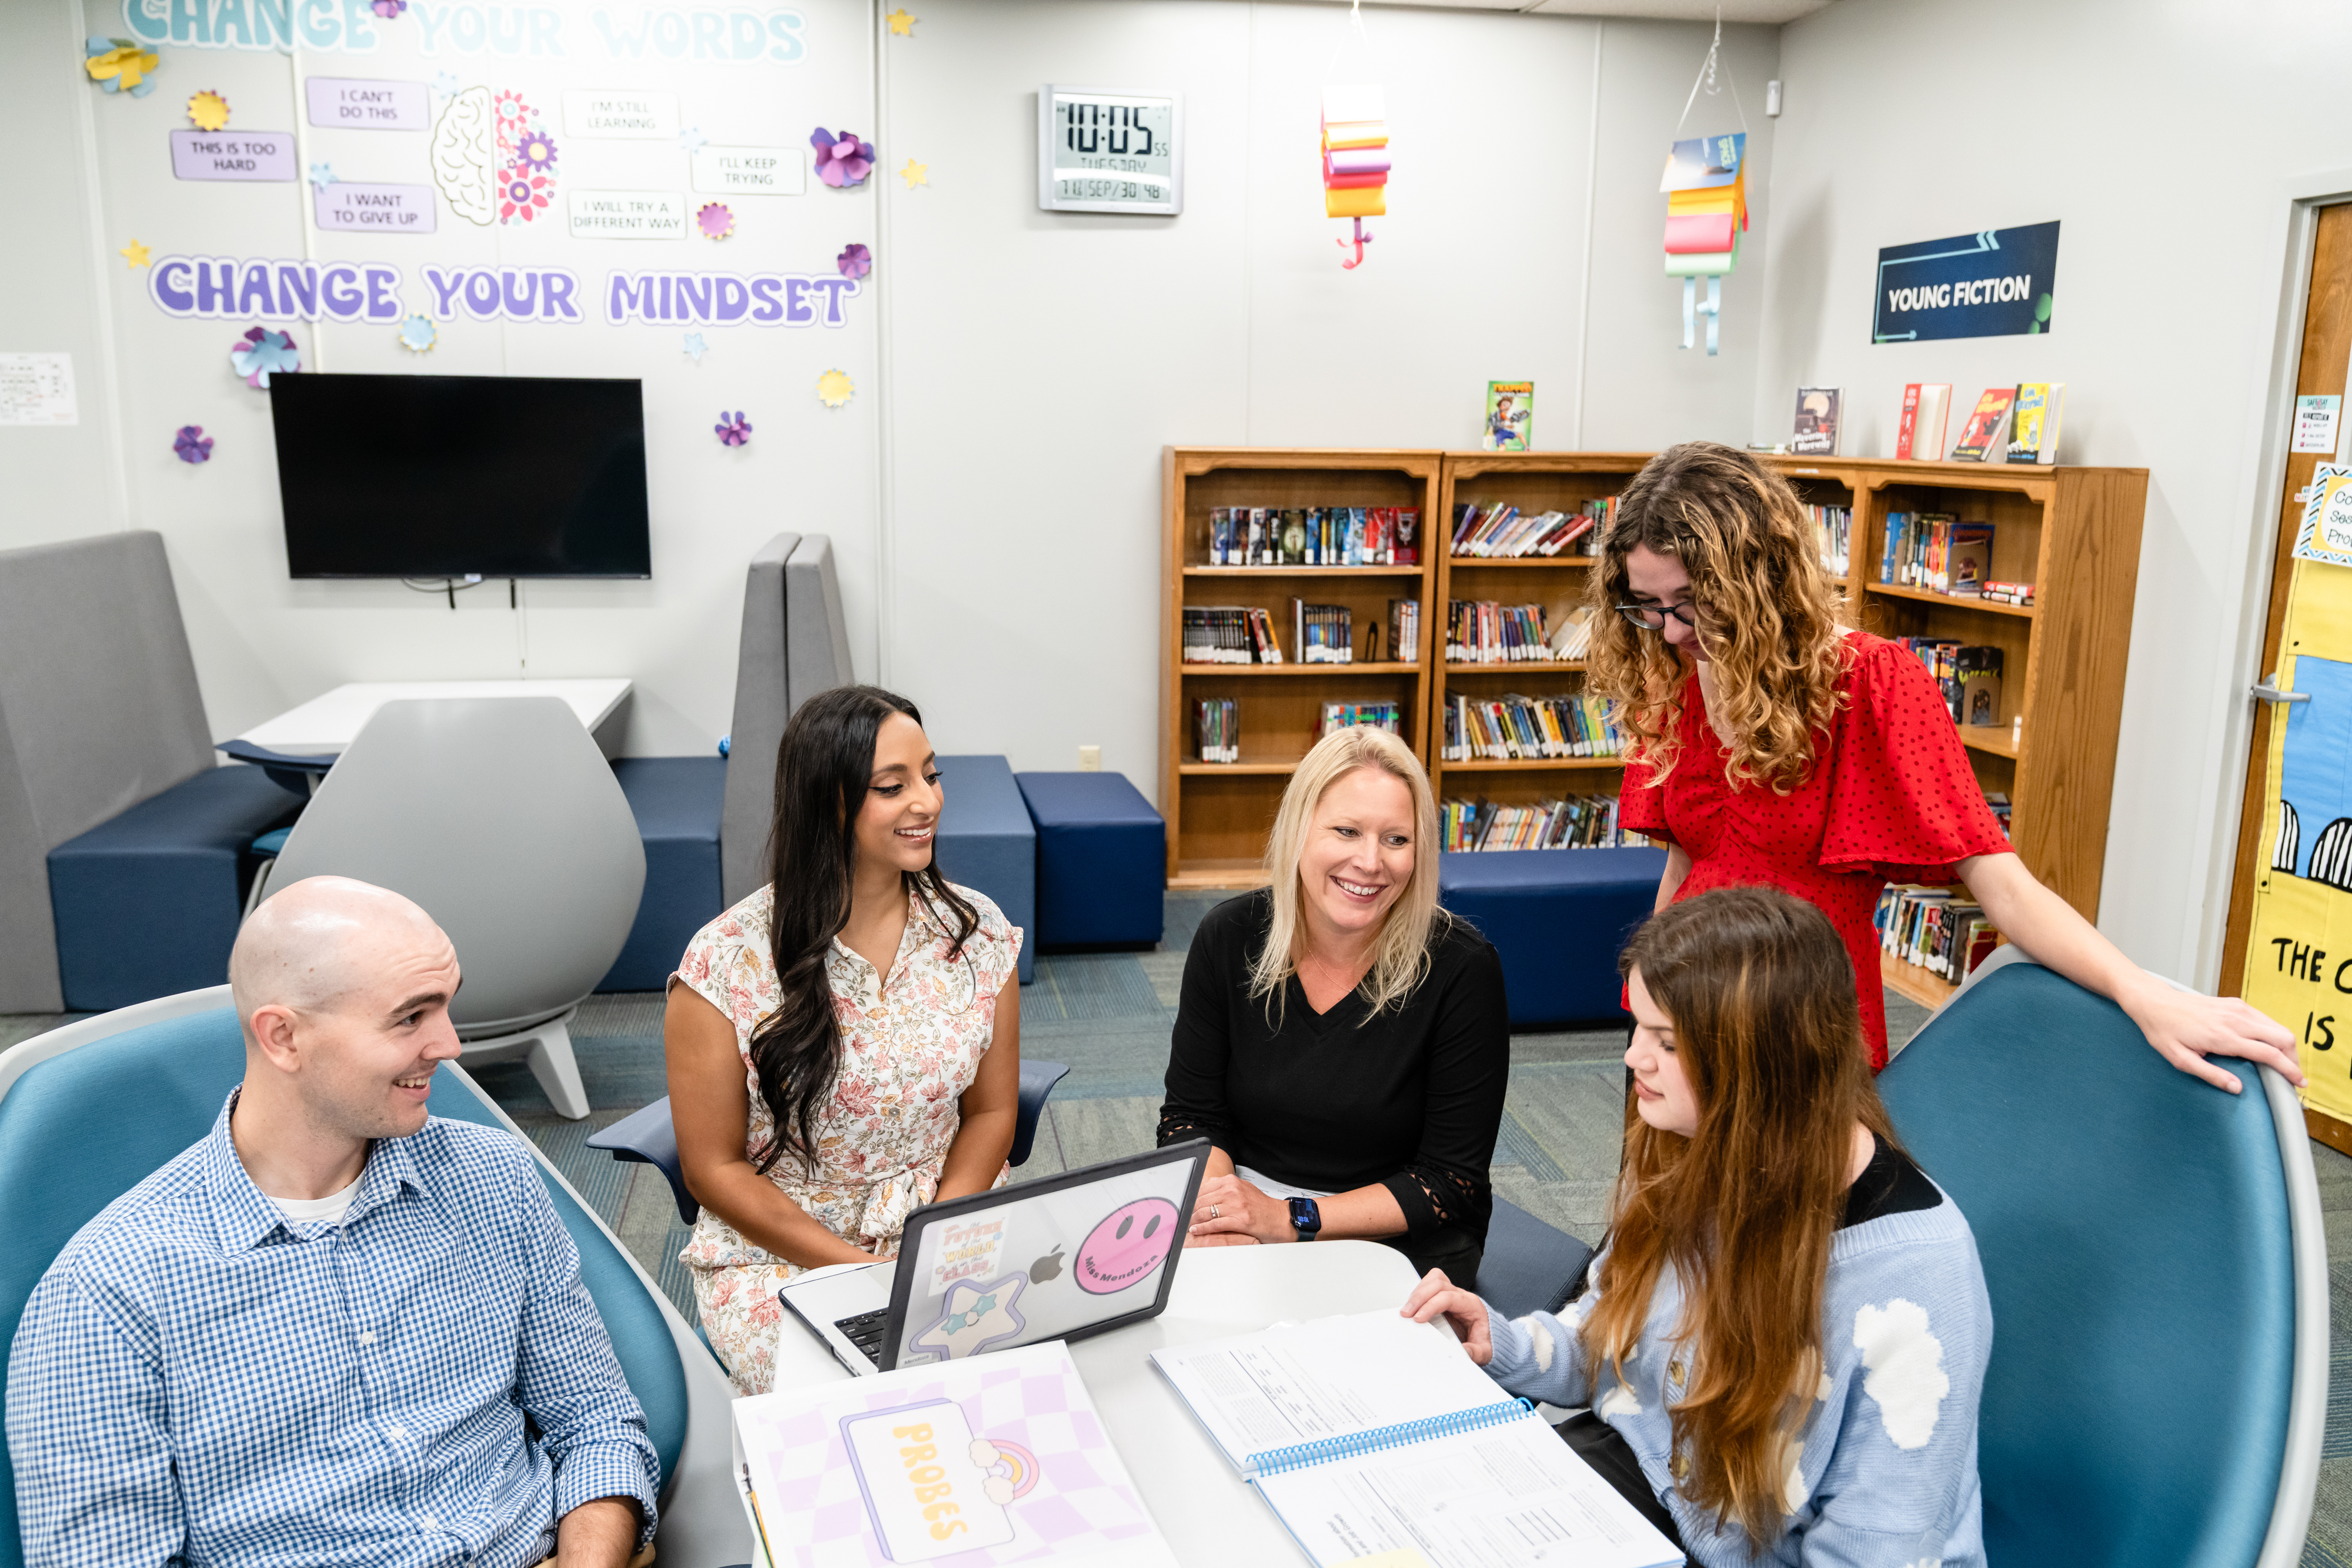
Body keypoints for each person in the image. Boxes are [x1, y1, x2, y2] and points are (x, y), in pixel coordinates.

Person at [1588, 439, 2302, 1088]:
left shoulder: (1872, 684)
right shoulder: (1671, 673)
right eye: (1648, 607)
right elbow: (1684, 870)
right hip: (1675, 1018)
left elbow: (2004, 888)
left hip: (1793, 1028)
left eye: (1693, 605)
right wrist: (1648, 1009)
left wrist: (2142, 992)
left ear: (1760, 582)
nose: (1674, 631)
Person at [6, 876, 661, 1568]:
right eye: (410, 1018)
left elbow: (596, 1423)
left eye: (447, 1005)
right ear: (283, 1037)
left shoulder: (491, 1177)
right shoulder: (108, 1292)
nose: (450, 1044)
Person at [1405, 887, 1992, 1567]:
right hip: (1647, 1488)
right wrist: (1496, 1341)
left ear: (1763, 1064)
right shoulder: (1692, 1146)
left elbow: (1873, 1549)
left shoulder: (1916, 1280)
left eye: (1667, 1043)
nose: (1632, 1060)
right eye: (1638, 1028)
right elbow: (1606, 1346)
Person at [666, 685, 1022, 1395]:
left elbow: (990, 1113)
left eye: (931, 775)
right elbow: (713, 1169)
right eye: (892, 786)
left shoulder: (976, 932)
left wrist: (939, 1240)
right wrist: (859, 1271)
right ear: (826, 802)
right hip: (782, 1250)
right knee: (860, 1406)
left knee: (1014, 1383)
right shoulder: (726, 960)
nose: (926, 801)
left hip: (942, 1225)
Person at [1159, 724, 1509, 1279]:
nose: (1370, 861)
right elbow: (1191, 1117)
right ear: (1300, 829)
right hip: (1251, 1213)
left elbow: (1450, 1184)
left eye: (1396, 839)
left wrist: (1291, 1218)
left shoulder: (1462, 968)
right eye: (1346, 831)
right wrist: (1219, 1212)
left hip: (1395, 1239)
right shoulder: (1228, 936)